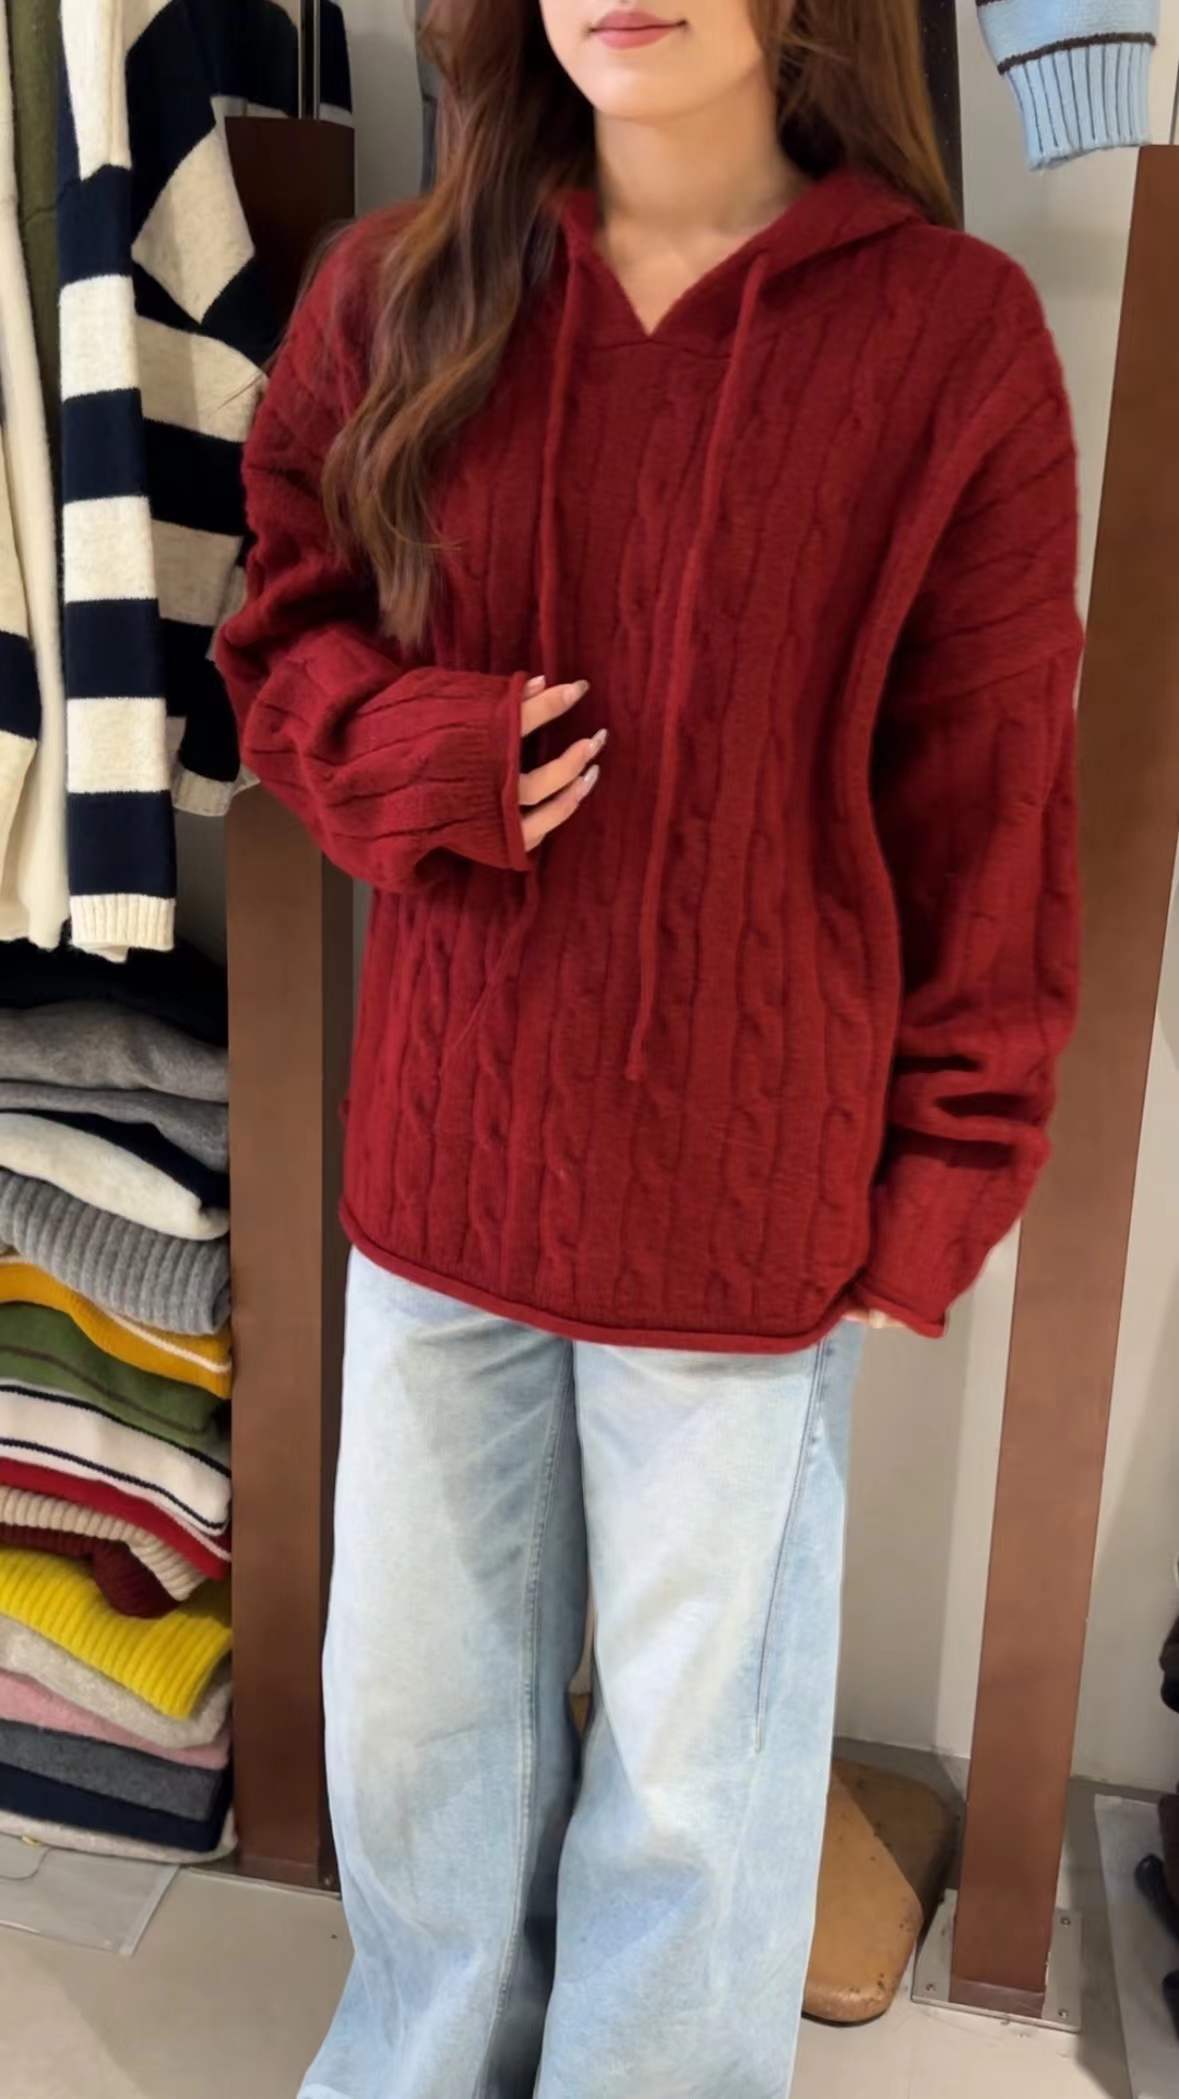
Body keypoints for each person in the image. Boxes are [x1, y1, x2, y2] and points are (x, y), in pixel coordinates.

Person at [216, 3, 1082, 2093]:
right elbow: (279, 627)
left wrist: (945, 1173)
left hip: (746, 1193)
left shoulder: (949, 339)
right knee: (417, 1733)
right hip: (446, 1168)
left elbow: (989, 800)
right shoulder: (401, 289)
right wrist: (413, 751)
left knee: (697, 1788)